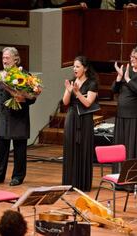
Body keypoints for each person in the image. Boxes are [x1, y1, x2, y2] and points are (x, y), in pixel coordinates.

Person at [0, 47, 36, 186]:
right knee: (1, 147)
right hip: (5, 116)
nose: (4, 61)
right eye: (3, 58)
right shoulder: (1, 75)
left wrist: (24, 99)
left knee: (20, 148)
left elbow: (33, 97)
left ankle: (18, 176)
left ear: (16, 59)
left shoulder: (24, 75)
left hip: (19, 116)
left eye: (7, 58)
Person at [62, 56, 98, 192]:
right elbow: (65, 102)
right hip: (72, 117)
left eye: (77, 66)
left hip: (85, 118)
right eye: (74, 66)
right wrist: (68, 90)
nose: (74, 69)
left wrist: (77, 93)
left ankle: (82, 183)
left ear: (85, 68)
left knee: (83, 148)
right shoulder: (72, 81)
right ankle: (69, 182)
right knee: (70, 148)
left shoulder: (92, 83)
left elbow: (88, 103)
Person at [112, 48, 137, 165]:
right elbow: (114, 90)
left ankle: (129, 176)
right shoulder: (126, 69)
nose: (132, 59)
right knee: (120, 146)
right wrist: (119, 77)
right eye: (132, 56)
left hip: (133, 116)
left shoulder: (130, 75)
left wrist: (127, 79)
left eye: (135, 58)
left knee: (130, 146)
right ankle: (118, 173)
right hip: (120, 114)